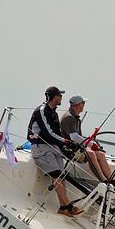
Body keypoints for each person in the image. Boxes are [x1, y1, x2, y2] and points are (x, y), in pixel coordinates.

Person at [27, 86, 84, 217]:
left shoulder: (54, 113)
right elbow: (48, 133)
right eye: (59, 95)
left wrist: (66, 146)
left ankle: (63, 207)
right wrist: (67, 142)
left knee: (61, 177)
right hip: (41, 147)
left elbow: (57, 133)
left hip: (54, 147)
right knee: (58, 176)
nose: (61, 98)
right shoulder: (41, 110)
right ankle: (69, 206)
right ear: (54, 97)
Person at [60, 95, 115, 190]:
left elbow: (79, 138)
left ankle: (111, 180)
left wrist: (93, 145)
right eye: (83, 103)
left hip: (77, 148)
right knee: (91, 154)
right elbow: (73, 137)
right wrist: (91, 145)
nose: (84, 105)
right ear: (78, 105)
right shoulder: (69, 117)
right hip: (68, 150)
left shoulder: (76, 118)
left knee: (100, 154)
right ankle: (104, 181)